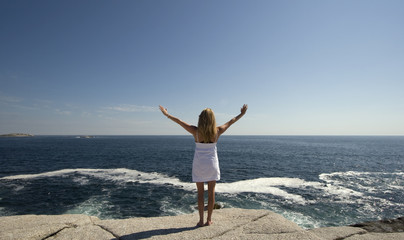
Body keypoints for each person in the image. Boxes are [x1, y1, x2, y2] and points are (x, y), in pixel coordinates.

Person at [159, 104, 248, 227]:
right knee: (211, 192)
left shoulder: (195, 131)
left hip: (199, 164)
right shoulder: (217, 131)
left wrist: (166, 114)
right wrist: (242, 114)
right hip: (212, 164)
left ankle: (201, 221)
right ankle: (209, 220)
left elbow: (179, 121)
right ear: (213, 119)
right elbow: (231, 121)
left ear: (201, 119)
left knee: (200, 193)